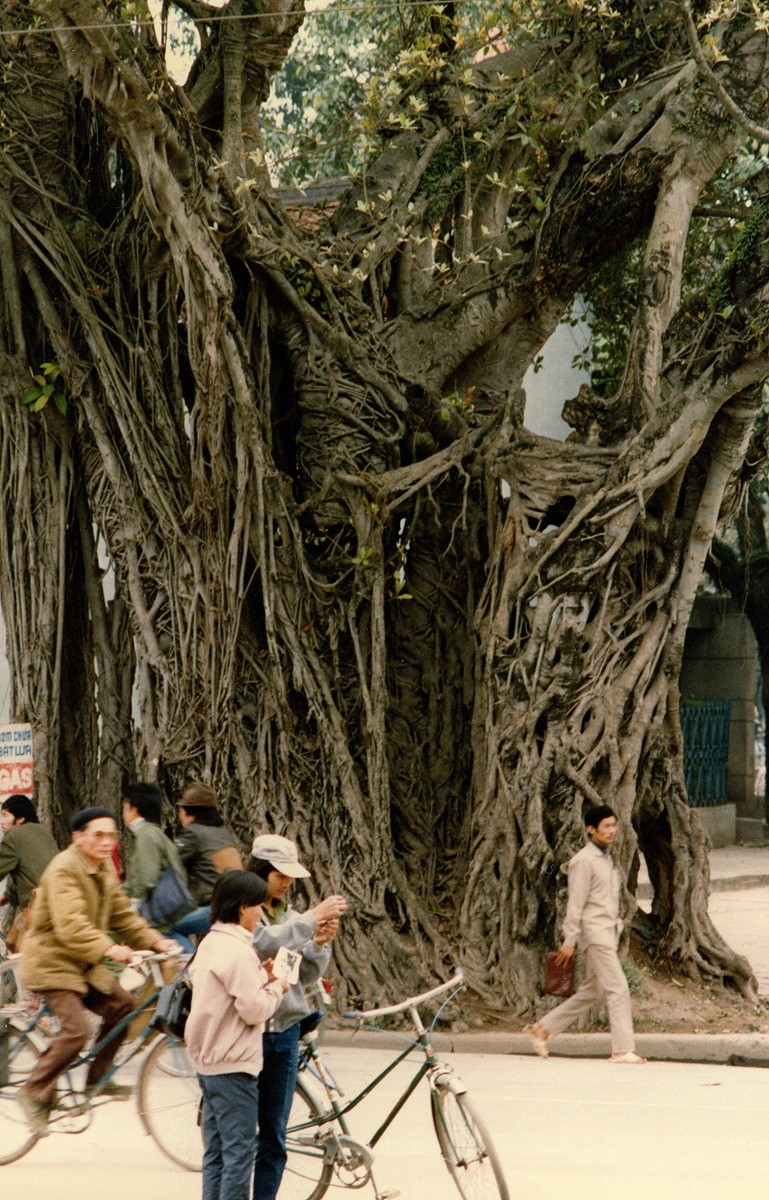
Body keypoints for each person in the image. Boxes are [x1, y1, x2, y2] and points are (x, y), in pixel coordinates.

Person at [18, 807, 178, 1132]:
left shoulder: (102, 866)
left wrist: (157, 942)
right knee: (76, 1030)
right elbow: (71, 925)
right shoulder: (64, 869)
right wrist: (109, 948)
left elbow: (122, 916)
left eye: (112, 836)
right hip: (52, 964)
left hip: (82, 965)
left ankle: (96, 1081)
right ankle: (34, 1091)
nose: (107, 842)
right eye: (98, 835)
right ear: (78, 837)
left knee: (123, 1005)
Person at [247, 833, 348, 1200]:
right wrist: (310, 920)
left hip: (285, 1030)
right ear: (260, 872)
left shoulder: (289, 917)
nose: (287, 883)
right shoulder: (246, 912)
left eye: (291, 876)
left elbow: (298, 976)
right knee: (242, 1136)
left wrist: (318, 944)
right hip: (248, 1034)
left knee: (274, 1135)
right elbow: (263, 944)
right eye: (280, 875)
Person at [185, 870, 289, 1200]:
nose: (261, 913)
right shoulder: (238, 950)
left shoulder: (210, 942)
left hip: (208, 1060)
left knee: (216, 1153)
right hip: (233, 1063)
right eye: (258, 905)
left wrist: (263, 977)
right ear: (243, 907)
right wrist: (277, 986)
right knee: (240, 1156)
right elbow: (255, 1009)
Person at [524, 804, 646, 1064]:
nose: (612, 831)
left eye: (614, 825)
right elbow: (575, 903)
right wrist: (569, 940)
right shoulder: (583, 861)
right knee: (618, 988)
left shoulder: (606, 858)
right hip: (595, 934)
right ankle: (622, 1050)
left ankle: (542, 1029)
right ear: (591, 830)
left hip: (608, 932)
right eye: (606, 826)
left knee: (594, 991)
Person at [122, 782, 211, 953]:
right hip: (175, 905)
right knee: (178, 953)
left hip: (162, 911)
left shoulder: (146, 835)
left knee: (172, 950)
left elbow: (146, 879)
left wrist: (132, 907)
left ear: (134, 810)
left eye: (125, 807)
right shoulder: (157, 834)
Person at [0, 795, 58, 947]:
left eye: (5, 815)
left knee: (17, 948)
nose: (1, 821)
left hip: (37, 910)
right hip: (58, 905)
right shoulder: (44, 832)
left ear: (20, 818)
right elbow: (26, 871)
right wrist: (6, 896)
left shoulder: (14, 836)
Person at [175, 782, 243, 904]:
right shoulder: (223, 832)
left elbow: (170, 860)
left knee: (170, 923)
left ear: (188, 812)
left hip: (210, 906)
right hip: (232, 904)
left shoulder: (193, 833)